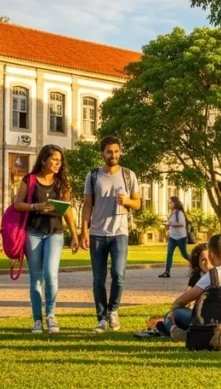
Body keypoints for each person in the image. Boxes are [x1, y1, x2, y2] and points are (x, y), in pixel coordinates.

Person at [13, 145, 81, 334]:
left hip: (55, 233)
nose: (58, 164)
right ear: (44, 160)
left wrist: (74, 235)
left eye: (60, 161)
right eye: (54, 160)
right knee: (36, 278)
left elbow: (68, 211)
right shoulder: (30, 179)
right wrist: (36, 206)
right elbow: (17, 204)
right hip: (33, 232)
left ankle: (51, 316)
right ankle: (37, 320)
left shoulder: (62, 183)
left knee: (51, 275)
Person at [79, 135, 141, 333]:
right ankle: (101, 318)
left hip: (119, 233)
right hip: (97, 232)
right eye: (109, 152)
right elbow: (87, 205)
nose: (113, 155)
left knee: (118, 275)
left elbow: (137, 203)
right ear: (102, 154)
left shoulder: (128, 175)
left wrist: (127, 202)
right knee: (98, 279)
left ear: (120, 152)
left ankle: (113, 310)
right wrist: (83, 231)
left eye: (116, 151)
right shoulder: (93, 175)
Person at [157, 243, 212, 338]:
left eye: (209, 259)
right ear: (197, 263)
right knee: (171, 314)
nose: (207, 263)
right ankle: (175, 331)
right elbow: (186, 296)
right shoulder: (195, 278)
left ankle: (170, 330)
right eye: (203, 260)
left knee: (175, 313)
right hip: (195, 313)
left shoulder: (216, 275)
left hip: (207, 316)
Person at [159, 196, 190, 278]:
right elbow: (171, 223)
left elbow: (182, 224)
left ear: (175, 203)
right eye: (169, 202)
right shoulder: (172, 213)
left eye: (171, 202)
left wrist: (171, 224)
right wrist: (168, 226)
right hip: (172, 237)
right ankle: (167, 272)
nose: (169, 204)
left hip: (180, 237)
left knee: (184, 254)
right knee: (169, 254)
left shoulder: (179, 213)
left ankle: (196, 264)